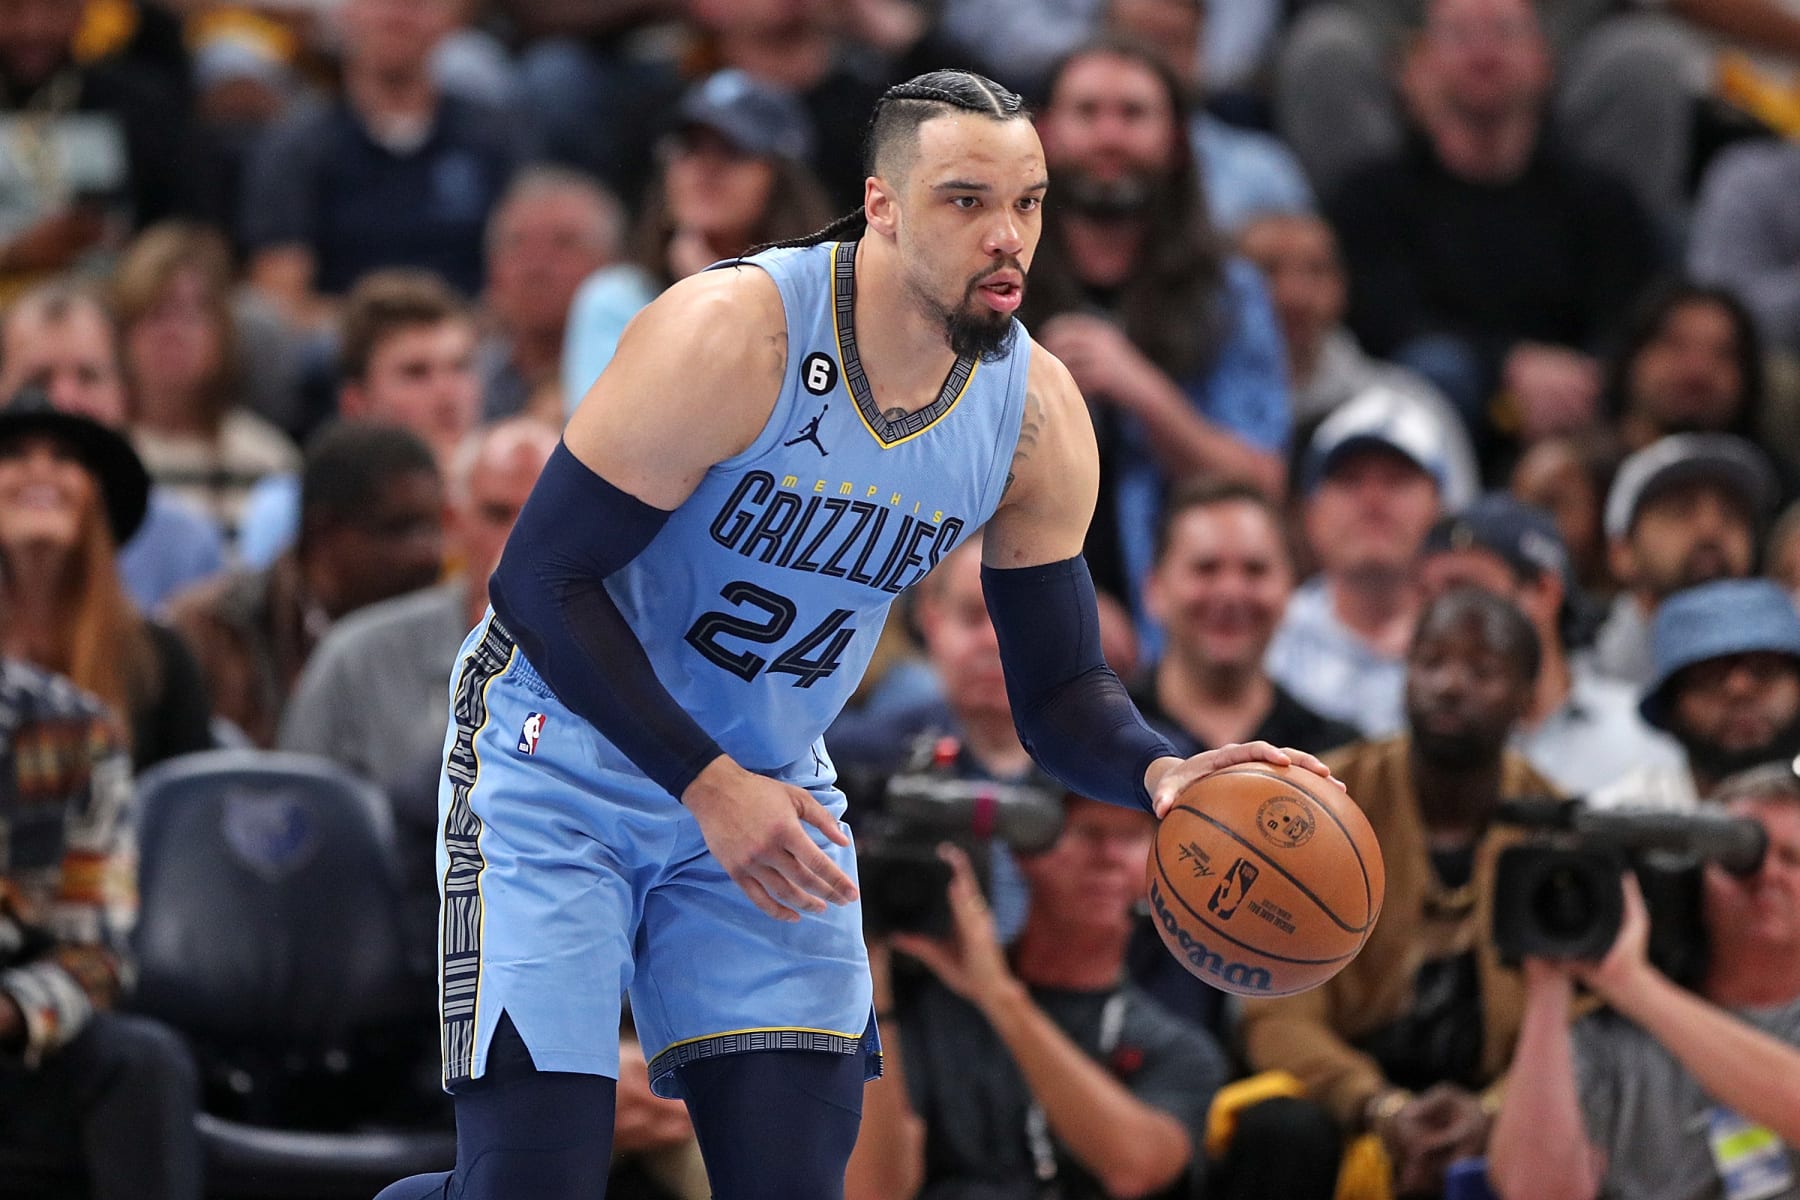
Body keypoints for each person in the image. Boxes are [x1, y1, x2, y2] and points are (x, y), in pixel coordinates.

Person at [374, 69, 1337, 1200]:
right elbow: (536, 581)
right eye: (965, 201)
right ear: (881, 204)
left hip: (769, 788)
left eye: (1027, 202)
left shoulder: (1036, 415)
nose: (1007, 236)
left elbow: (1063, 691)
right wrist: (707, 784)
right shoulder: (733, 334)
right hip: (559, 759)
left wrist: (1162, 771)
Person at [1241, 587, 1557, 1199]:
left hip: (1499, 1097)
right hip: (1349, 1096)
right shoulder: (1319, 800)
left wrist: (1493, 1112)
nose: (1449, 684)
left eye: (1482, 670)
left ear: (1527, 699)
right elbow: (1274, 1012)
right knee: (1277, 1127)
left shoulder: (1558, 828)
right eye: (1431, 661)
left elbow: (1584, 1022)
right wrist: (1378, 1107)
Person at [1021, 35, 1291, 628]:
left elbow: (1262, 482)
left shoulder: (1231, 293)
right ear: (1043, 133)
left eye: (1134, 114)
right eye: (1088, 113)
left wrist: (1140, 389)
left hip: (1180, 628)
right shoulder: (990, 280)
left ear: (1176, 142)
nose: (1110, 137)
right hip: (1014, 617)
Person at [845, 797, 1229, 1200]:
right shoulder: (924, 1004)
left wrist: (1000, 997)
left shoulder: (1177, 1047)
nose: (1109, 856)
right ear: (1025, 849)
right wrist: (870, 977)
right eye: (1086, 832)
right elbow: (870, 1190)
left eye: (1132, 836)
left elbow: (1136, 1169)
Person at [1324, 0, 1656, 457]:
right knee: (1436, 367)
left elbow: (1628, 318)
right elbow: (1383, 324)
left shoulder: (1604, 200)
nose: (1484, 54)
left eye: (1504, 33)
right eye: (1460, 36)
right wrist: (1506, 364)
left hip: (1579, 413)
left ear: (1545, 60)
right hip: (1429, 423)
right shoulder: (1371, 198)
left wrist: (1574, 377)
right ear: (1417, 66)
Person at [1489, 760, 1800, 1200]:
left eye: (1794, 858)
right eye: (1738, 861)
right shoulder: (1613, 1030)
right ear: (1697, 879)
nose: (1766, 875)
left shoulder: (1635, 994)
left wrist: (1634, 985)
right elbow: (1534, 1191)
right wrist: (1548, 986)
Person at [0, 657, 201, 1200]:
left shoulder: (68, 727)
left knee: (144, 1063)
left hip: (13, 1031)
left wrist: (15, 1012)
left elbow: (97, 956)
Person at [239, 0, 529, 329]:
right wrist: (390, 342)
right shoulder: (296, 145)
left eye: (415, 5)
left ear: (451, 19)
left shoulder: (493, 138)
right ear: (345, 14)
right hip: (340, 351)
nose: (397, 14)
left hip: (476, 344)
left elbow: (529, 277)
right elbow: (282, 298)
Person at [559, 69, 834, 410]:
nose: (705, 168)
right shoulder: (618, 297)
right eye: (689, 148)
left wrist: (720, 294)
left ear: (782, 180)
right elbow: (611, 438)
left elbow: (806, 426)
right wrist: (701, 298)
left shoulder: (827, 299)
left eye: (733, 150)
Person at [169, 421, 446, 748]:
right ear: (323, 531)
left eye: (434, 528)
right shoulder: (210, 627)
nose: (429, 553)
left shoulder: (452, 635)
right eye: (401, 529)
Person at [0, 389, 212, 770]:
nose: (40, 470)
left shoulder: (158, 662)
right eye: (13, 453)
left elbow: (189, 817)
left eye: (65, 457)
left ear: (97, 495)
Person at [1418, 493, 1682, 795]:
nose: (1441, 612)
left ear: (1543, 592)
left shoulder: (1643, 728)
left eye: (1463, 589)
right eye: (1425, 594)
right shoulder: (1410, 738)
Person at [0, 281, 224, 611]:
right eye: (39, 379)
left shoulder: (186, 543)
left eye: (88, 377)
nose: (65, 400)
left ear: (124, 392)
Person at [236, 268, 482, 568]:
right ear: (355, 403)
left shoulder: (514, 492)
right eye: (415, 373)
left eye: (460, 367)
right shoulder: (290, 508)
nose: (448, 393)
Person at [1234, 211, 1476, 508]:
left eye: (1317, 271)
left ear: (1343, 286)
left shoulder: (1412, 406)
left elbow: (1458, 528)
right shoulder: (1194, 410)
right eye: (1268, 270)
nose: (1294, 294)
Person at [1265, 385, 1449, 737]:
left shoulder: (1479, 644)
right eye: (1349, 481)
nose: (1373, 500)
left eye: (1397, 481)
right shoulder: (1264, 636)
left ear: (1440, 508)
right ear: (1309, 511)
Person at [112, 220, 302, 547]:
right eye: (156, 312)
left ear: (224, 332)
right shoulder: (101, 455)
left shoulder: (269, 462)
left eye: (191, 313)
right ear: (123, 332)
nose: (172, 332)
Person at [1138, 479, 1359, 757]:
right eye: (1206, 568)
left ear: (1291, 589)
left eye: (1255, 570)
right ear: (1154, 589)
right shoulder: (1097, 741)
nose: (1231, 592)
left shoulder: (1337, 754)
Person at [1592, 578, 1800, 813]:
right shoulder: (1624, 815)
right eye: (1710, 676)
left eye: (1764, 669)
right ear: (1671, 705)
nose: (1740, 689)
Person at [1592, 433, 1777, 688]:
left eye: (1732, 514)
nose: (1711, 529)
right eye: (1679, 512)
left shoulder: (1787, 688)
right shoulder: (1575, 681)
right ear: (1621, 553)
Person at [478, 166, 624, 422]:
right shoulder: (467, 381)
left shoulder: (638, 381)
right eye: (517, 243)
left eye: (564, 243)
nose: (536, 266)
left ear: (612, 265)